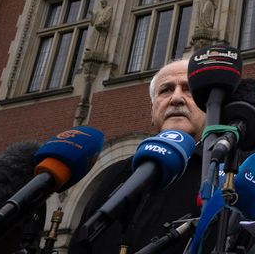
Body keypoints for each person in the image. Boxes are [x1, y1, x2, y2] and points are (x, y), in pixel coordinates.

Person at [69, 58, 209, 254]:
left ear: (209, 107)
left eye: (189, 89)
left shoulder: (222, 171)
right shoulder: (116, 175)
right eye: (166, 90)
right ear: (152, 111)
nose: (176, 98)